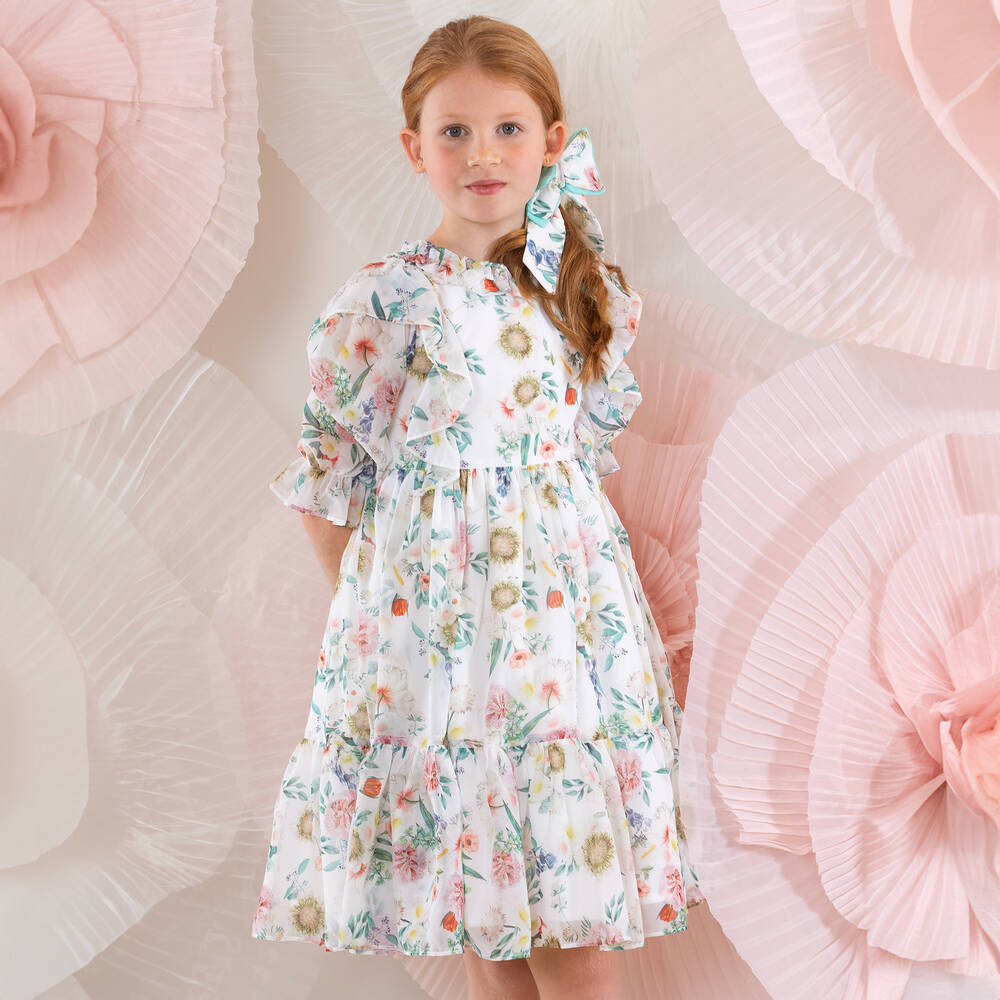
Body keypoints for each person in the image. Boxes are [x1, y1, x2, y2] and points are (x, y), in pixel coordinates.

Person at [250, 14, 702, 1000]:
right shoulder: (385, 303)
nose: (483, 154)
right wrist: (390, 632)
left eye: (507, 128)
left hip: (561, 647)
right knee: (481, 912)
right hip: (437, 650)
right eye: (454, 131)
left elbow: (570, 484)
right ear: (414, 148)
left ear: (550, 139)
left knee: (568, 921)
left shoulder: (580, 293)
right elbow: (327, 486)